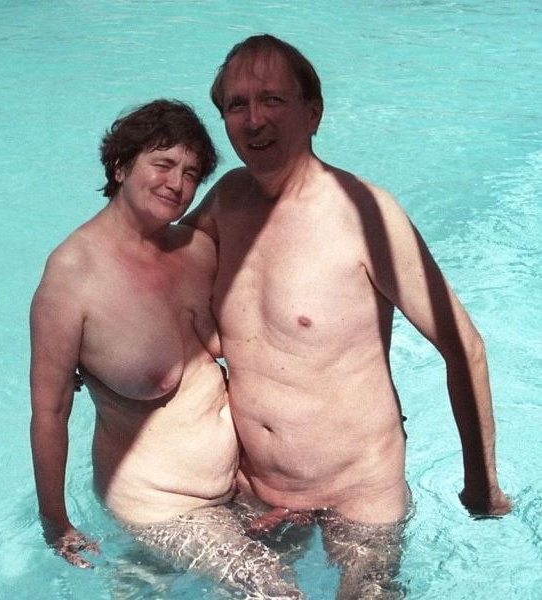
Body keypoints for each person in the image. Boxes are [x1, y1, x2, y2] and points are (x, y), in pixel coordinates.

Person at [182, 35, 512, 598]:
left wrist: (482, 485)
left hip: (358, 495)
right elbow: (150, 270)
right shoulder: (226, 201)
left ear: (313, 112)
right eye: (237, 105)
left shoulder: (364, 214)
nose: (254, 120)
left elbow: (465, 347)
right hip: (258, 488)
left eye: (272, 99)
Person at [29, 99, 303, 599]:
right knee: (274, 591)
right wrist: (56, 523)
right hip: (160, 503)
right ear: (120, 166)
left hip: (239, 484)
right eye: (163, 164)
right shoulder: (72, 277)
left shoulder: (196, 250)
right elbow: (50, 410)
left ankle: (144, 576)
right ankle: (149, 565)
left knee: (325, 535)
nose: (177, 183)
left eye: (191, 173)